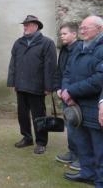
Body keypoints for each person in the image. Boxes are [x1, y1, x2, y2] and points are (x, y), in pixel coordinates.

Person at [61, 16, 103, 186]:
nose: (82, 31)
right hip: (76, 105)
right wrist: (65, 91)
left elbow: (99, 79)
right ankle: (87, 173)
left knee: (99, 147)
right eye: (81, 28)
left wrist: (71, 91)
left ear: (99, 29)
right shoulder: (79, 47)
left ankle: (100, 180)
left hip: (94, 106)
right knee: (82, 143)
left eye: (87, 28)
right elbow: (68, 72)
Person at [7, 15, 57, 154]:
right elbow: (13, 64)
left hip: (37, 86)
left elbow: (50, 66)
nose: (25, 27)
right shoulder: (19, 43)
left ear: (36, 26)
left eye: (28, 24)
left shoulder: (47, 43)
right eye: (24, 24)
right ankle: (27, 137)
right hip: (21, 85)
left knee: (39, 116)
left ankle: (41, 142)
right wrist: (12, 81)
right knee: (22, 114)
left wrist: (49, 87)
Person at [53, 22, 80, 170]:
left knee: (79, 125)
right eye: (61, 34)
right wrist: (58, 87)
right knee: (70, 124)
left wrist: (71, 91)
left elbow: (78, 73)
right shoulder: (64, 50)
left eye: (64, 33)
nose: (61, 36)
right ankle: (73, 152)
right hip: (64, 93)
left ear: (74, 34)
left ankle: (82, 157)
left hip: (75, 94)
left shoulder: (80, 49)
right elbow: (60, 71)